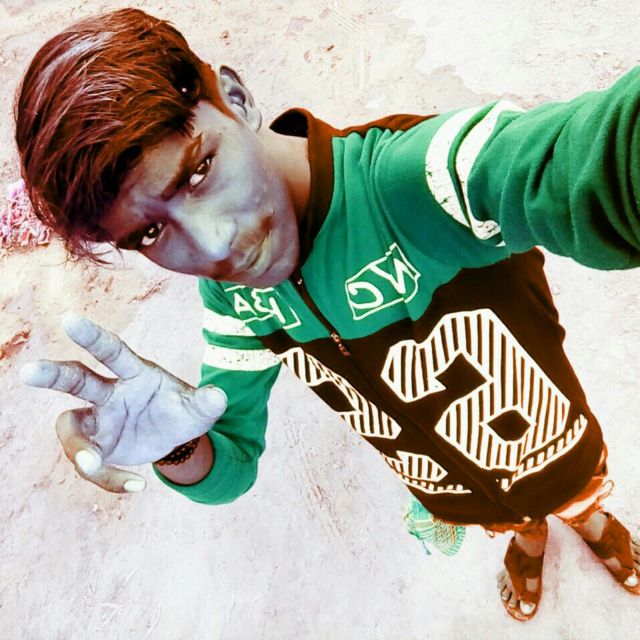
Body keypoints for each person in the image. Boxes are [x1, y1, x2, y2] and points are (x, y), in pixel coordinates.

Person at [14, 8, 640, 622]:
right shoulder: (235, 300)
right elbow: (230, 462)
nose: (214, 245)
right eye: (151, 234)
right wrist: (177, 447)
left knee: (579, 497)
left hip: (558, 449)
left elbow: (591, 161)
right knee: (516, 524)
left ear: (237, 99)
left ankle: (593, 523)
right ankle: (527, 539)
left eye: (199, 171)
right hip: (448, 489)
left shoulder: (416, 182)